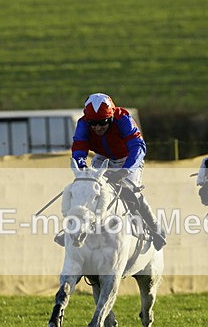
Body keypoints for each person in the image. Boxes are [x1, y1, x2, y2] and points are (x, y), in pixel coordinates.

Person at [65, 92, 166, 250]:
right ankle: (76, 228)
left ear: (111, 118)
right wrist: (82, 166)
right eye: (93, 123)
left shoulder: (123, 119)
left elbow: (138, 147)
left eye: (103, 122)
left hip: (128, 159)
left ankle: (155, 228)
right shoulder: (83, 123)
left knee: (129, 190)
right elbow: (79, 147)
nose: (97, 128)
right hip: (103, 158)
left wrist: (126, 170)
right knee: (85, 187)